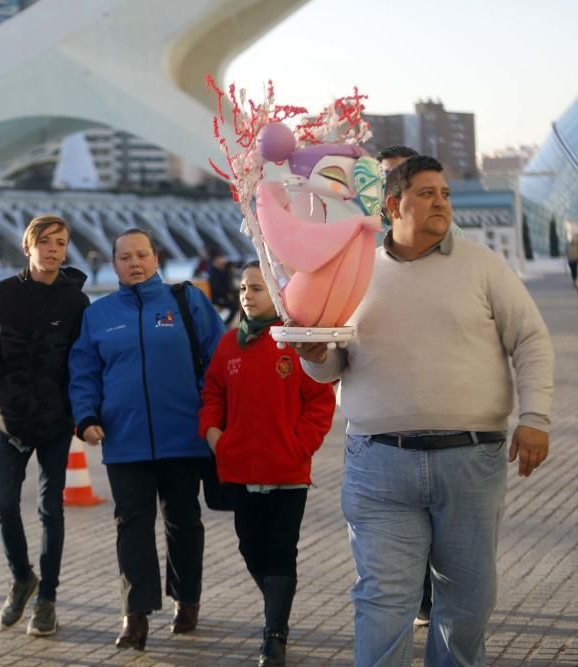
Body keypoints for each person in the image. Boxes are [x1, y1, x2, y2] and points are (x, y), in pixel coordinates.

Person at [293, 156, 554, 666]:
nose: (442, 202)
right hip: (378, 465)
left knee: (466, 606)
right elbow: (332, 365)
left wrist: (536, 417)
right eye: (428, 193)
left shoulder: (483, 265)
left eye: (446, 194)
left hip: (471, 464)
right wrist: (316, 355)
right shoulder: (354, 271)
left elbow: (531, 340)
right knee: (382, 600)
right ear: (393, 205)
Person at [68, 228, 225, 650]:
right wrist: (85, 418)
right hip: (125, 440)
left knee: (184, 522)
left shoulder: (187, 302)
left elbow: (219, 358)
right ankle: (134, 615)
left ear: (156, 258)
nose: (133, 263)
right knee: (132, 525)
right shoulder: (98, 315)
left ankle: (187, 597)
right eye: (124, 257)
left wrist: (218, 419)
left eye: (141, 255)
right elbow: (83, 373)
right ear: (114, 263)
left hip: (184, 438)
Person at [199, 261, 335, 666]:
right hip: (240, 472)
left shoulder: (295, 341)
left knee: (280, 553)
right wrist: (214, 436)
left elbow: (320, 403)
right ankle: (277, 605)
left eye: (257, 288)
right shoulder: (229, 346)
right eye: (243, 288)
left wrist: (299, 446)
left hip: (287, 473)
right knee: (251, 550)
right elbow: (212, 395)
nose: (246, 295)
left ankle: (274, 635)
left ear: (278, 294)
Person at [0, 215, 90, 636]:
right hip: (9, 419)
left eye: (61, 243)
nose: (53, 250)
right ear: (29, 246)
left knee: (51, 509)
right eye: (45, 242)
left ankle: (47, 599)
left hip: (55, 420)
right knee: (3, 504)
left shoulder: (75, 302)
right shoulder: (4, 293)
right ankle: (22, 579)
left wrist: (79, 414)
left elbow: (81, 364)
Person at [377, 144, 434, 627]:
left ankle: (434, 597)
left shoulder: (449, 255)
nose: (388, 187)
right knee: (395, 527)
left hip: (441, 414)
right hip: (381, 422)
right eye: (383, 179)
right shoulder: (365, 254)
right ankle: (414, 597)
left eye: (397, 177)